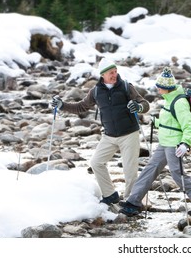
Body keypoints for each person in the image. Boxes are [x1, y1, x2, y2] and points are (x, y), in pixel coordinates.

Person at [51, 58, 150, 205]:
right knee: (96, 163)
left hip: (129, 134)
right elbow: (81, 107)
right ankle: (110, 194)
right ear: (103, 74)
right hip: (109, 135)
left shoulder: (126, 87)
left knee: (130, 172)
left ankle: (132, 201)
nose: (114, 75)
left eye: (115, 71)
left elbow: (145, 104)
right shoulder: (96, 91)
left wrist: (138, 107)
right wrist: (62, 105)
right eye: (111, 72)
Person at [119, 67, 191, 217]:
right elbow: (172, 122)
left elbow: (188, 125)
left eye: (159, 87)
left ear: (165, 88)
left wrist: (185, 143)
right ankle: (133, 203)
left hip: (175, 145)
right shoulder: (169, 99)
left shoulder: (179, 102)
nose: (157, 90)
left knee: (177, 175)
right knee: (150, 169)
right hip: (164, 143)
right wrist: (156, 121)